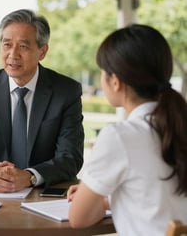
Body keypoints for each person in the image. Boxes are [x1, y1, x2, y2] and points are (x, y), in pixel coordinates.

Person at [67, 24, 187, 235]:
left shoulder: (121, 136)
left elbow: (79, 219)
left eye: (102, 72)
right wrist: (109, 198)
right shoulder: (177, 124)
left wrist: (101, 200)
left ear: (115, 81)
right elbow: (160, 199)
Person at [0, 9, 84, 193]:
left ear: (42, 51)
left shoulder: (66, 91)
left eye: (23, 46)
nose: (13, 54)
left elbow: (70, 158)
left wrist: (30, 176)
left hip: (44, 195)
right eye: (7, 45)